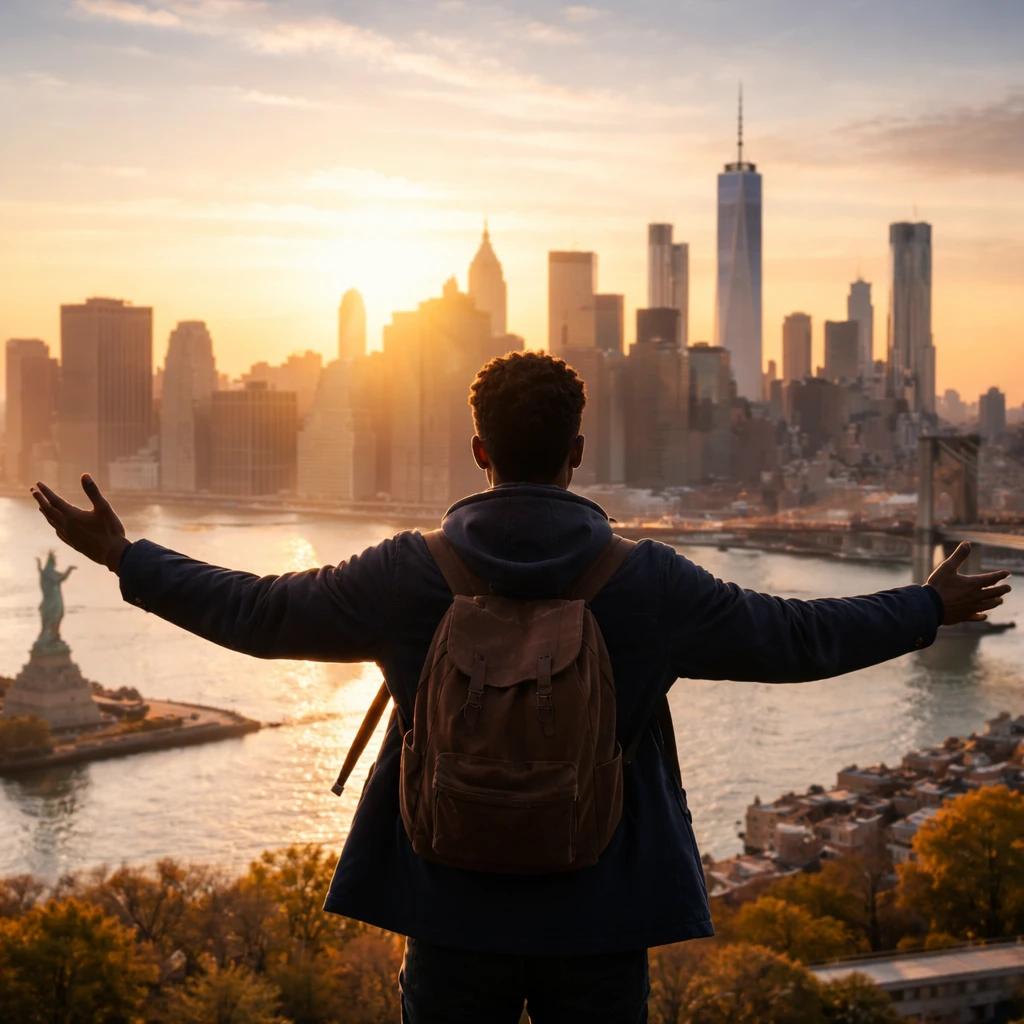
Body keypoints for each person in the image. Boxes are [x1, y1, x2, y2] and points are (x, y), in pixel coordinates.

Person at [31, 351, 1010, 1024]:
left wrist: (125, 554)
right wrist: (923, 606)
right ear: (578, 452)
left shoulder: (405, 574)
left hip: (448, 905)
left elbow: (255, 612)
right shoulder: (648, 582)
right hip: (603, 911)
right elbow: (796, 637)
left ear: (479, 452)